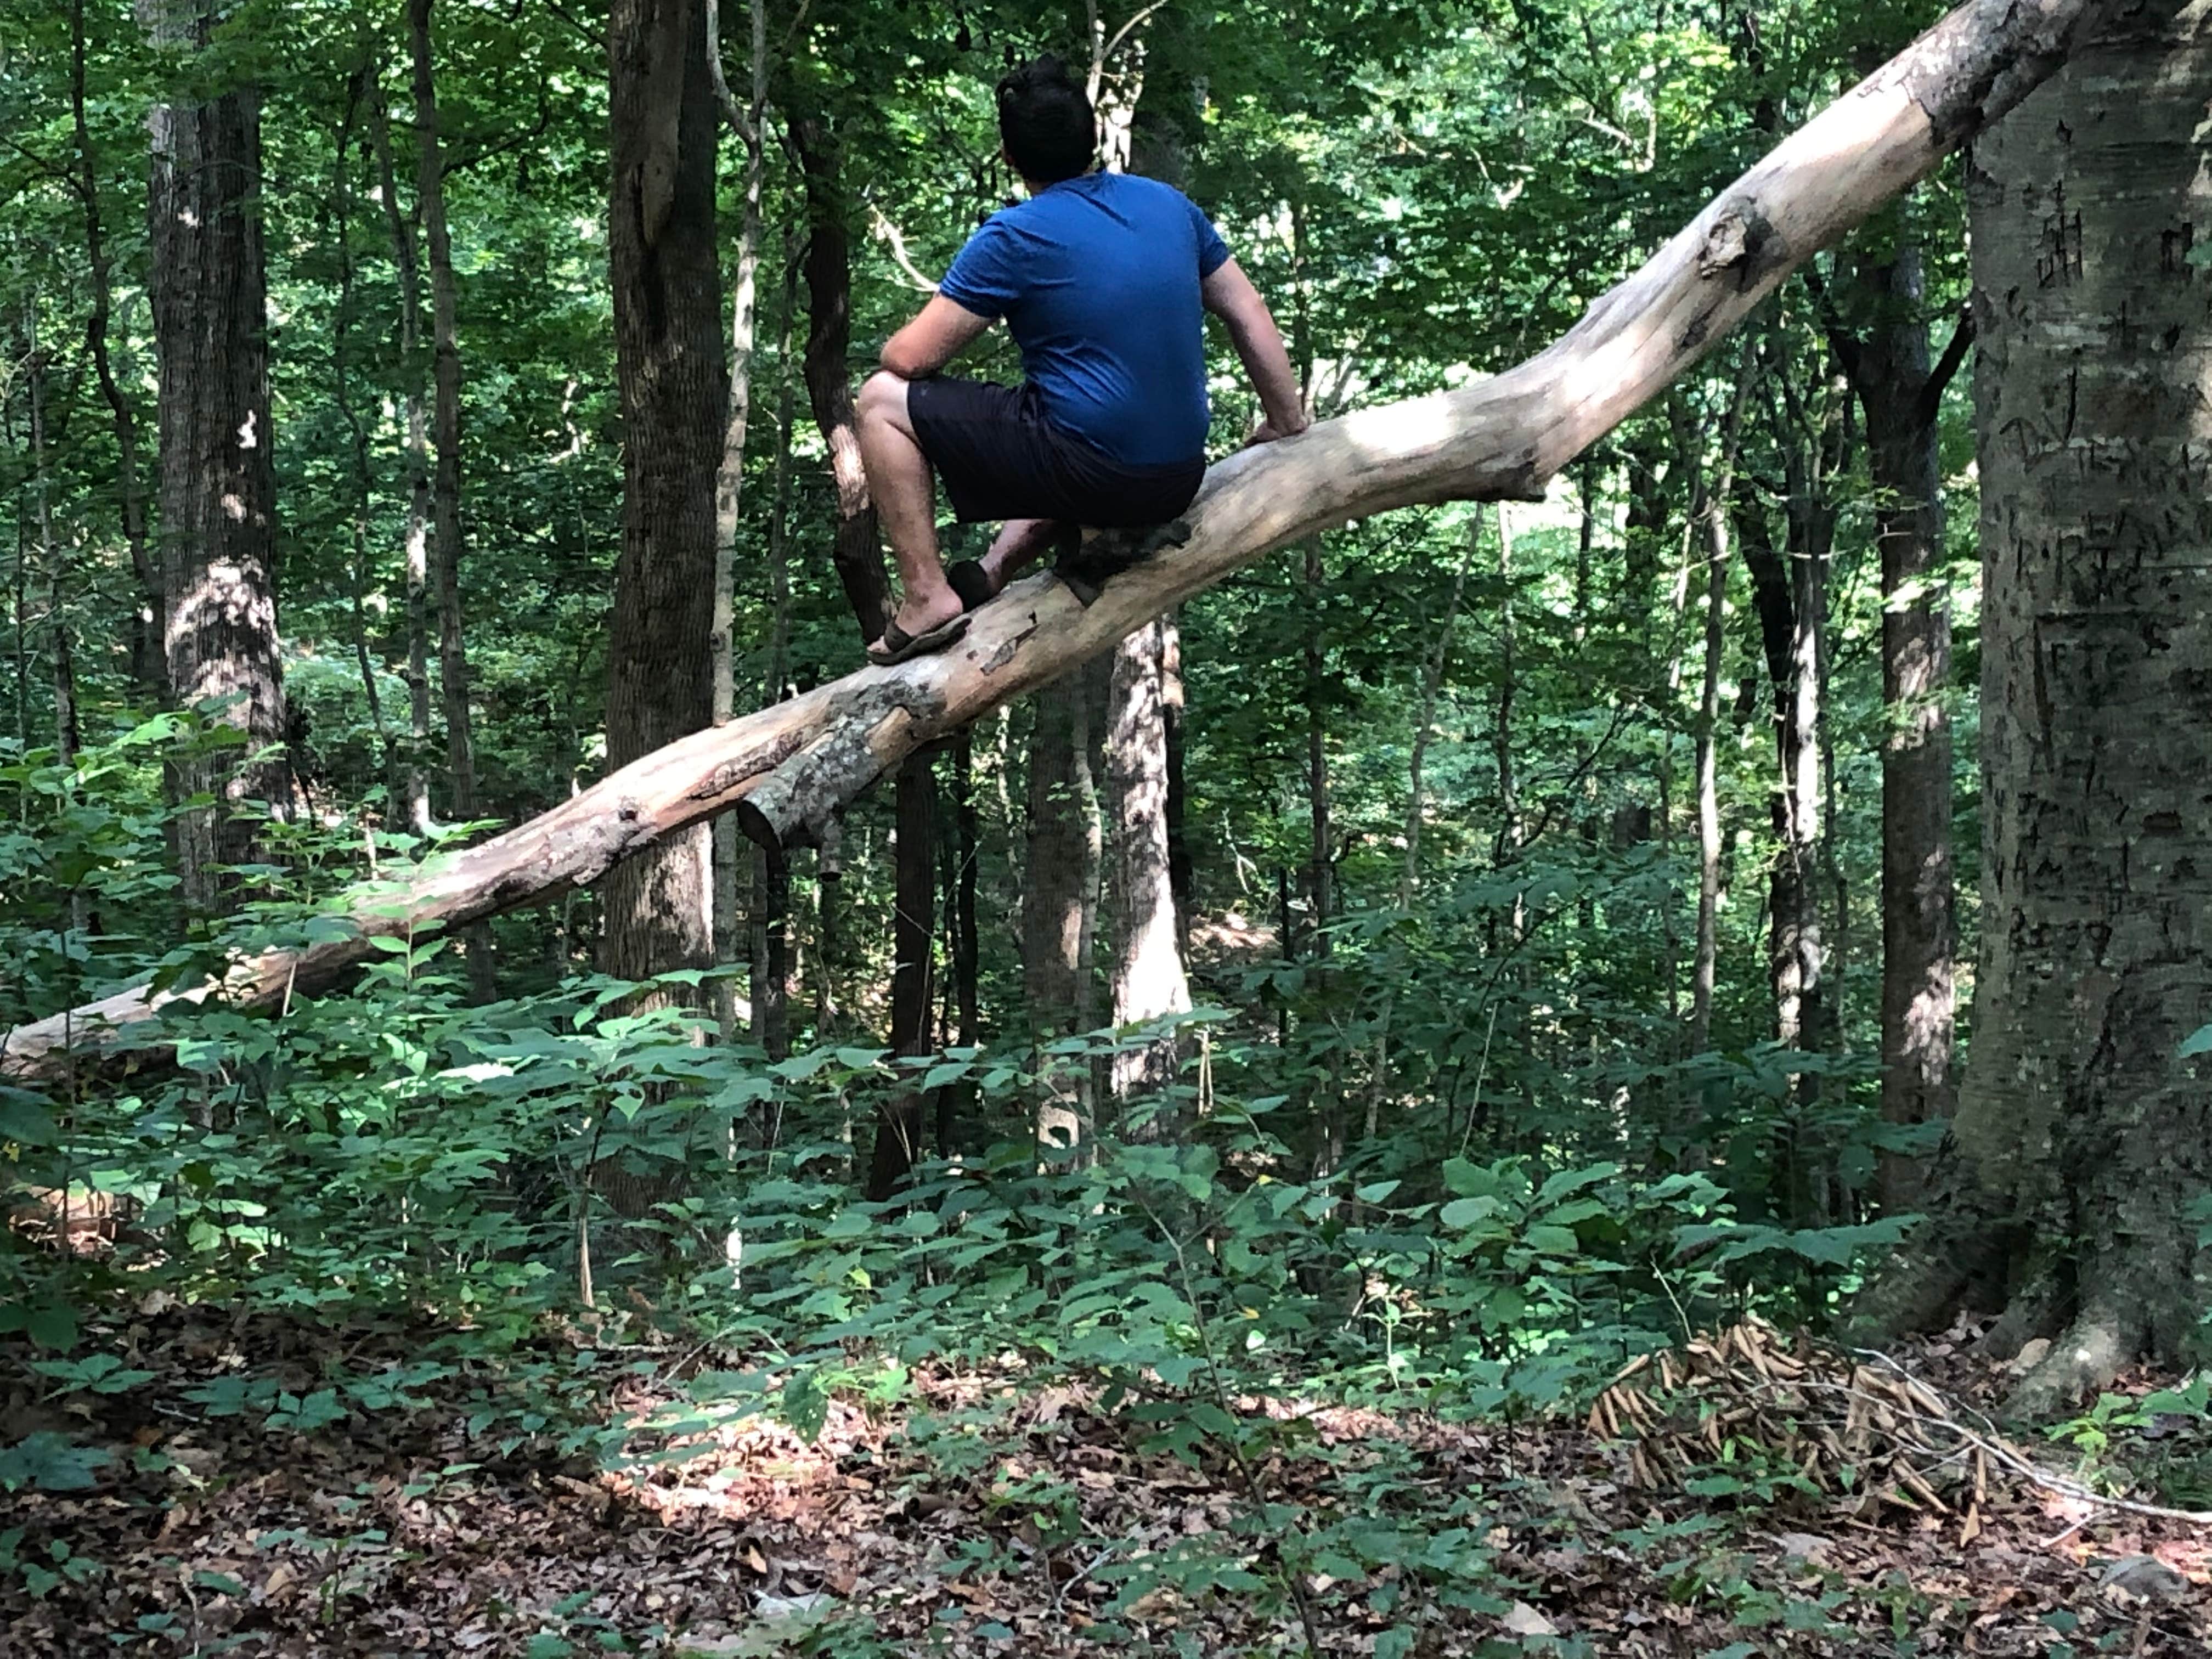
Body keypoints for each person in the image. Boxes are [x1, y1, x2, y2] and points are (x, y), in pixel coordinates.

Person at [854, 54, 1310, 664]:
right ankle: (992, 571)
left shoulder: (1014, 235)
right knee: (1062, 413)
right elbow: (1247, 309)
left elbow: (910, 358)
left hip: (1096, 474)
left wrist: (895, 350)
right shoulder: (1169, 206)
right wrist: (1286, 420)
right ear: (1093, 138)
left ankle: (927, 597)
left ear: (1010, 158)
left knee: (881, 401)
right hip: (1176, 478)